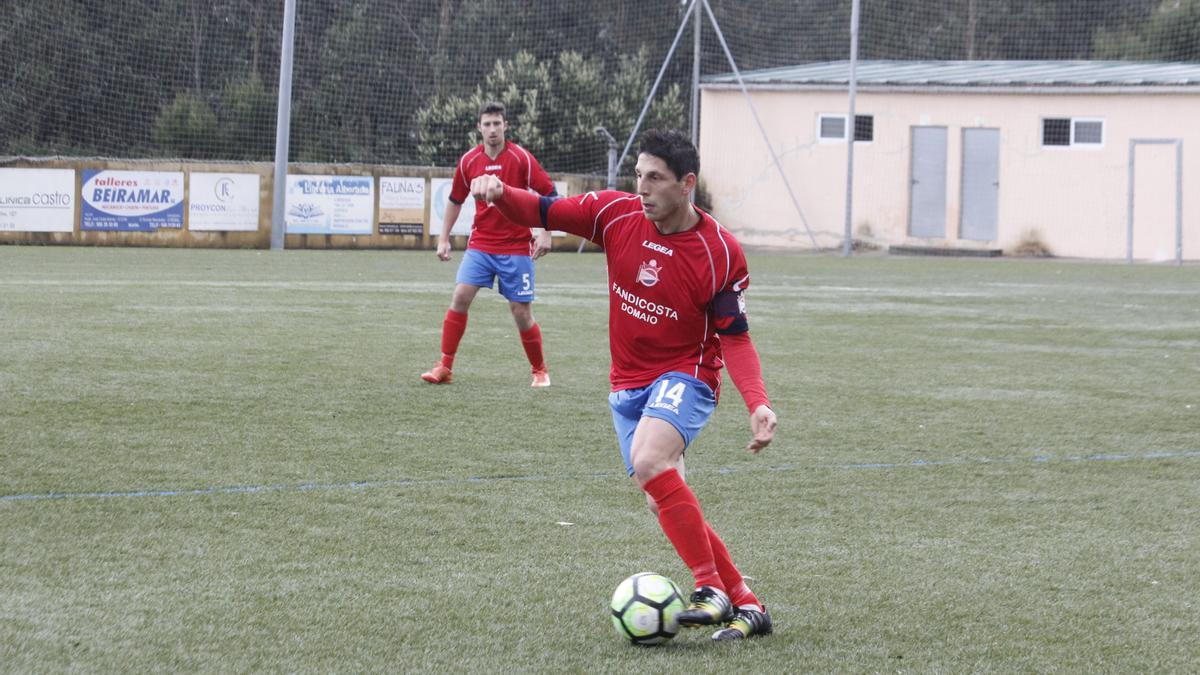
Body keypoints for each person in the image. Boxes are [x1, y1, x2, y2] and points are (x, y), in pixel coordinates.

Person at [471, 129, 778, 641]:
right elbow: (543, 211)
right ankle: (748, 605)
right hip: (626, 383)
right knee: (663, 496)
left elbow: (736, 339)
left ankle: (709, 587)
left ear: (686, 184)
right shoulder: (615, 214)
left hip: (688, 373)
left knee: (650, 461)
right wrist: (503, 196)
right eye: (638, 175)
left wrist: (758, 402)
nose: (642, 187)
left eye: (654, 178)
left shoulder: (721, 251)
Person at [421, 101, 558, 387]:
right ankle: (444, 366)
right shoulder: (469, 161)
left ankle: (539, 371)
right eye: (487, 124)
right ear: (479, 128)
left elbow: (549, 193)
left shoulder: (521, 158)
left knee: (521, 312)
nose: (492, 129)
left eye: (497, 123)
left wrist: (546, 231)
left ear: (505, 126)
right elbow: (455, 200)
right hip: (481, 244)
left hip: (516, 246)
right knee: (460, 297)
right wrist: (443, 239)